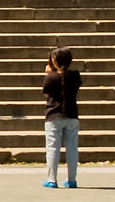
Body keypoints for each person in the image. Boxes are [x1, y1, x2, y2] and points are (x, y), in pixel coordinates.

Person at [44, 47, 82, 189]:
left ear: (54, 61)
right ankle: (72, 180)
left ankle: (52, 179)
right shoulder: (75, 75)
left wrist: (48, 74)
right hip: (72, 115)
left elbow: (47, 95)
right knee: (72, 147)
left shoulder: (51, 77)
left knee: (53, 147)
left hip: (54, 115)